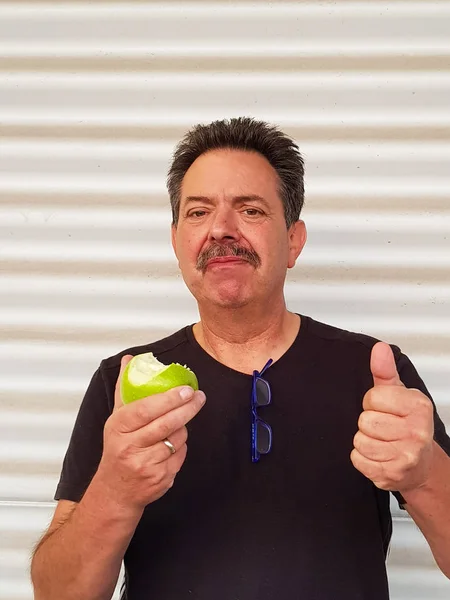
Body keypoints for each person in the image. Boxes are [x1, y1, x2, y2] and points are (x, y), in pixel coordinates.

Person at [31, 117, 450, 600]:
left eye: (250, 210)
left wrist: (424, 476)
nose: (220, 230)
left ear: (294, 240)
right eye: (197, 212)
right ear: (176, 243)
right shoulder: (123, 383)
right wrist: (115, 490)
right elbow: (56, 593)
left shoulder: (377, 374)